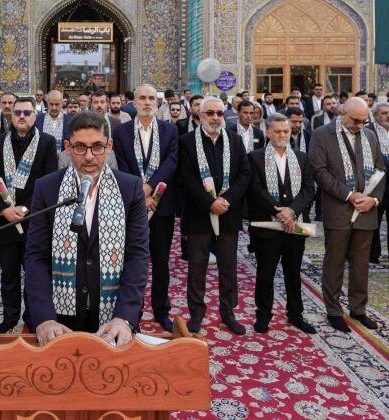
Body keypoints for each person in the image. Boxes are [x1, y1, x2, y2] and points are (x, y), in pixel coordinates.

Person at [24, 111, 148, 345]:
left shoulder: (130, 188)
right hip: (59, 318)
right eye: (80, 147)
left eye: (97, 147)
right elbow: (36, 256)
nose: (89, 156)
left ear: (109, 146)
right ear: (67, 147)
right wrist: (45, 318)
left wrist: (124, 317)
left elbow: (137, 256)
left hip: (113, 317)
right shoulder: (47, 188)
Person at [309, 96, 386, 333]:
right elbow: (319, 172)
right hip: (339, 208)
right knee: (335, 261)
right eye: (355, 121)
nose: (360, 126)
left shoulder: (370, 135)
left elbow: (381, 170)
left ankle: (358, 308)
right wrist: (349, 195)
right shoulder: (322, 135)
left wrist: (373, 199)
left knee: (361, 263)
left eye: (364, 121)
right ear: (342, 113)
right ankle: (333, 310)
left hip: (366, 210)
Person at [178, 96, 250, 335]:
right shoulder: (187, 142)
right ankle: (196, 314)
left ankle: (228, 312)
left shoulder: (235, 140)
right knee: (197, 268)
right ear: (200, 115)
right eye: (210, 113)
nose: (215, 118)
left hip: (228, 214)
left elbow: (244, 175)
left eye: (219, 113)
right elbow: (186, 178)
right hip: (199, 216)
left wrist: (226, 201)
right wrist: (210, 203)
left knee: (228, 267)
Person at [0, 96, 57, 333]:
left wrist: (26, 208)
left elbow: (49, 181)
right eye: (18, 113)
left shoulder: (46, 143)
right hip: (4, 221)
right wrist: (3, 209)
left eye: (27, 113)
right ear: (11, 116)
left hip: (35, 221)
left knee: (35, 273)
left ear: (35, 116)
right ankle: (10, 317)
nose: (22, 117)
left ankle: (33, 317)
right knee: (9, 273)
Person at [112, 84, 180, 332]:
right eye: (143, 98)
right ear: (134, 102)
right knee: (132, 261)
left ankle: (161, 310)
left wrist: (150, 187)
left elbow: (172, 161)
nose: (148, 102)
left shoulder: (169, 130)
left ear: (158, 103)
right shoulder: (121, 132)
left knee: (161, 262)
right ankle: (133, 312)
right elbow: (121, 165)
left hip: (161, 205)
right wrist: (139, 191)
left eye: (152, 98)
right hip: (132, 205)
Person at [247, 114, 316, 334]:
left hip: (295, 225)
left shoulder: (302, 158)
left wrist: (292, 211)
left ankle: (295, 314)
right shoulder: (255, 157)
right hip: (267, 226)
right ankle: (263, 315)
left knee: (293, 272)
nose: (282, 135)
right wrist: (278, 211)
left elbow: (309, 189)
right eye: (277, 131)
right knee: (265, 273)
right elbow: (255, 189)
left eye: (286, 131)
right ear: (268, 132)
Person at [369, 101, 389, 261]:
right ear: (375, 116)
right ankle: (373, 253)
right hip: (378, 183)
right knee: (374, 219)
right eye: (384, 113)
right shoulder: (368, 132)